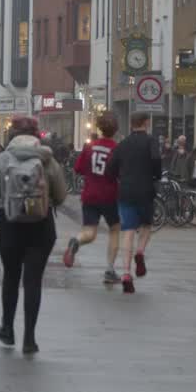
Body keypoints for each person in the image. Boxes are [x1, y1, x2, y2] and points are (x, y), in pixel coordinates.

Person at [0, 116, 66, 355]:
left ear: (11, 135)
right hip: (41, 226)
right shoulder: (48, 161)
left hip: (10, 226)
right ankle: (30, 338)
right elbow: (60, 196)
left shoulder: (1, 159)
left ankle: (7, 329)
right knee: (33, 280)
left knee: (11, 276)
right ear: (37, 135)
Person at [61, 112, 122, 283]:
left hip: (89, 194)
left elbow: (78, 169)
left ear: (100, 128)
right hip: (109, 195)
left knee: (90, 231)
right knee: (115, 229)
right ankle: (110, 270)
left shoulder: (90, 147)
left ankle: (76, 241)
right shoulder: (116, 149)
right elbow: (120, 174)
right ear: (115, 130)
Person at [108, 112, 162, 294]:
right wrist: (156, 174)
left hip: (126, 191)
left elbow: (111, 168)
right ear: (146, 123)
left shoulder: (122, 145)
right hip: (146, 189)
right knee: (147, 225)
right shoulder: (151, 141)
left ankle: (125, 274)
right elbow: (156, 159)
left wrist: (120, 177)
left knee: (128, 232)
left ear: (131, 125)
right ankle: (140, 251)